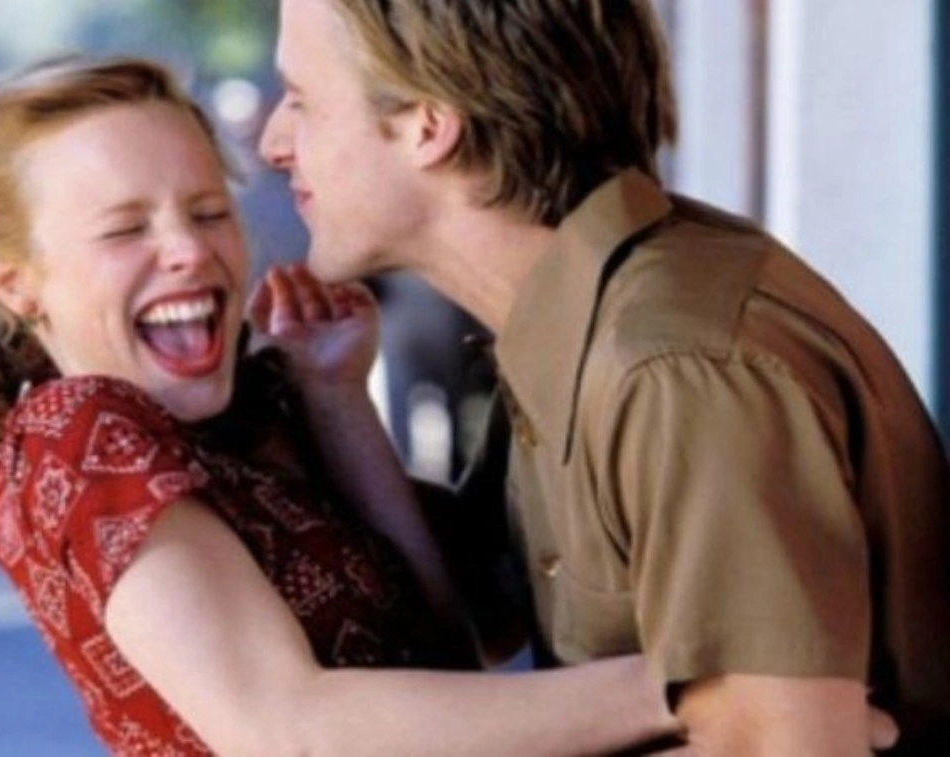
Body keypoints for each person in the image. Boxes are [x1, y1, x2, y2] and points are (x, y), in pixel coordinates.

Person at [0, 55, 681, 756]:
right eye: (125, 229)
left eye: (208, 210)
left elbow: (454, 642)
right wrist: (689, 687)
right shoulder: (80, 431)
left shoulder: (236, 420)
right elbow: (288, 730)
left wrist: (336, 398)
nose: (191, 249)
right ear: (14, 281)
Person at [258, 1, 950, 754]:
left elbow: (781, 747)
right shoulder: (578, 315)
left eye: (301, 101)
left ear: (429, 123)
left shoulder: (673, 368)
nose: (273, 144)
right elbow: (482, 610)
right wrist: (335, 399)